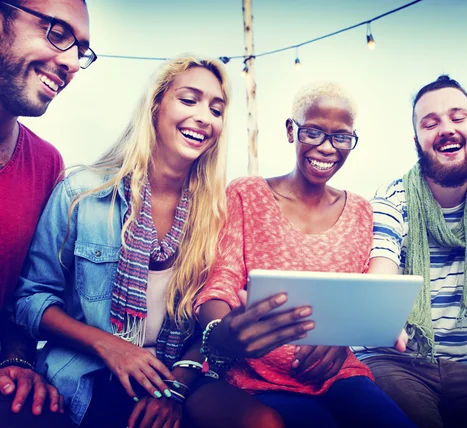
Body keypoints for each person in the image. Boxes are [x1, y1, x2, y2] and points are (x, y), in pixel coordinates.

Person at [12, 55, 281, 428]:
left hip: (176, 373)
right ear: (156, 106)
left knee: (263, 421)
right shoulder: (82, 192)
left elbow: (206, 329)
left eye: (216, 109)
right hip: (89, 371)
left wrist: (176, 389)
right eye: (189, 100)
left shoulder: (217, 214)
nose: (204, 116)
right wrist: (109, 345)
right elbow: (31, 300)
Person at [193, 82, 415, 428]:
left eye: (341, 137)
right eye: (313, 132)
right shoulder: (247, 194)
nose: (326, 148)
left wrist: (341, 337)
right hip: (258, 379)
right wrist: (223, 331)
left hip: (338, 374)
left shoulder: (359, 211)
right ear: (290, 130)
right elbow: (221, 283)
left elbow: (358, 300)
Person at [355, 75, 467, 428]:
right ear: (416, 140)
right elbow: (381, 269)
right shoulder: (392, 201)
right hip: (390, 358)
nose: (446, 128)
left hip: (461, 363)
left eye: (457, 117)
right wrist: (381, 312)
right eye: (430, 123)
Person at [0, 0, 95, 425]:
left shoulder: (46, 163)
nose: (72, 62)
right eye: (58, 32)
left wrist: (17, 361)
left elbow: (27, 293)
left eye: (82, 50)